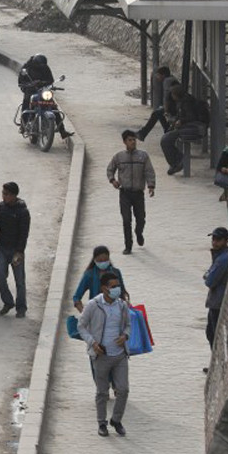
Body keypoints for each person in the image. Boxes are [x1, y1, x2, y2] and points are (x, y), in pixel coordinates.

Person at [77, 271, 130, 437]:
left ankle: (116, 419)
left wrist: (125, 336)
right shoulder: (94, 305)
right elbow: (81, 326)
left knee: (123, 389)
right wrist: (92, 342)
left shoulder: (122, 305)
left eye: (118, 286)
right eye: (113, 287)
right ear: (104, 288)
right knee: (102, 392)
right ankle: (102, 422)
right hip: (101, 355)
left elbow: (128, 325)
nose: (116, 290)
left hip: (120, 355)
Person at [0, 181, 30, 318]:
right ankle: (8, 302)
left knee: (19, 281)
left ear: (14, 196)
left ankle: (21, 308)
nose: (3, 196)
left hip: (16, 250)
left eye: (6, 194)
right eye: (3, 193)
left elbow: (24, 233)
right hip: (2, 248)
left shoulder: (23, 212)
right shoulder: (2, 207)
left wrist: (19, 252)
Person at [107, 129, 155, 254]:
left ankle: (139, 232)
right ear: (124, 142)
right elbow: (110, 169)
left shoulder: (143, 156)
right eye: (130, 140)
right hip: (125, 193)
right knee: (126, 220)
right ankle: (128, 246)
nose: (133, 142)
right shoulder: (119, 157)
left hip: (138, 193)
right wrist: (113, 181)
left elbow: (149, 171)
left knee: (141, 218)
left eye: (134, 140)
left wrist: (151, 186)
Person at [18, 54, 72, 139]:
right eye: (40, 65)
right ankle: (23, 124)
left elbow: (50, 80)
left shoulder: (45, 68)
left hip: (43, 91)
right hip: (30, 90)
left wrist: (43, 83)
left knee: (54, 108)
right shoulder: (27, 68)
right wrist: (30, 84)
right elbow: (21, 82)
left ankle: (63, 131)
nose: (42, 67)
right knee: (26, 102)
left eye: (43, 65)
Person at [160, 85, 206, 175]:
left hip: (191, 128)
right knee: (167, 137)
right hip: (188, 126)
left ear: (176, 94)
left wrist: (181, 121)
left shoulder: (186, 103)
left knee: (165, 140)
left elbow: (191, 117)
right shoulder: (184, 100)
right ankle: (177, 161)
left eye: (172, 95)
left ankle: (177, 161)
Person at [203, 227, 228, 356]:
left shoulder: (223, 260)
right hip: (216, 301)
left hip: (218, 302)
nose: (214, 242)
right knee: (211, 333)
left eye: (218, 240)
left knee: (215, 334)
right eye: (213, 239)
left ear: (226, 241)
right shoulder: (220, 256)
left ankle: (218, 360)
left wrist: (208, 275)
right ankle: (215, 359)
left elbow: (209, 280)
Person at [72, 246, 127, 313]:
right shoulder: (89, 275)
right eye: (100, 261)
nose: (103, 262)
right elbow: (77, 297)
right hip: (96, 312)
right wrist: (84, 313)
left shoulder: (116, 272)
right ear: (95, 260)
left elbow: (122, 292)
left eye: (106, 260)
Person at [136, 66, 176, 141]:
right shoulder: (171, 79)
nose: (157, 78)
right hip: (175, 106)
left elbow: (167, 97)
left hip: (175, 107)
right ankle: (167, 130)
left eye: (158, 75)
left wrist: (166, 109)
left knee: (157, 113)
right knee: (158, 113)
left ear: (163, 75)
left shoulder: (167, 81)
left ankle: (143, 133)